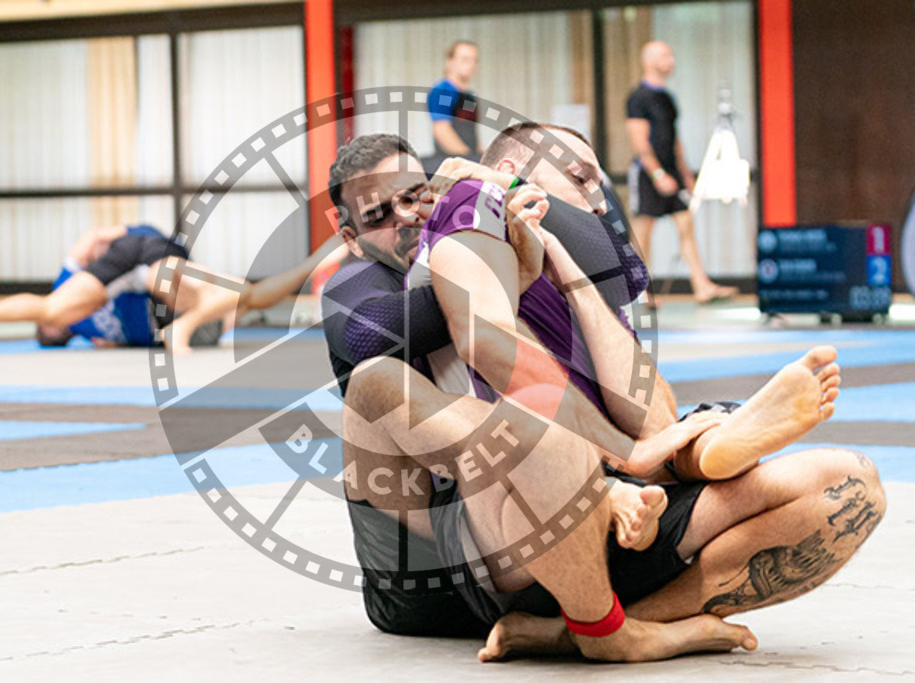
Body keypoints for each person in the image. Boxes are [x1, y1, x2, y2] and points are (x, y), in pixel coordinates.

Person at [321, 132, 884, 662]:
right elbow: (377, 333)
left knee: (848, 485)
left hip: (591, 534)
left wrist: (532, 236)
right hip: (456, 544)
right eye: (377, 215)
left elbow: (626, 271)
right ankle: (635, 481)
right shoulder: (362, 284)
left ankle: (596, 623)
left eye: (414, 198)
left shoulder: (544, 257)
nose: (404, 217)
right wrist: (479, 269)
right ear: (350, 238)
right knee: (392, 386)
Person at [0, 223, 346, 355]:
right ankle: (317, 262)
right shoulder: (92, 333)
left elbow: (87, 247)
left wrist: (121, 232)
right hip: (153, 288)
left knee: (54, 304)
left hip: (142, 252)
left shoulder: (68, 289)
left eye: (50, 330)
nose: (59, 326)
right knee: (243, 295)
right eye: (57, 334)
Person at [626, 41, 738, 304]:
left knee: (686, 224)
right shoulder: (638, 98)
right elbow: (639, 142)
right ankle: (639, 293)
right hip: (649, 174)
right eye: (666, 55)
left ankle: (702, 285)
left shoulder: (667, 97)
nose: (671, 60)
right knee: (643, 234)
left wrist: (685, 174)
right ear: (650, 60)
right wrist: (657, 175)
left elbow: (674, 138)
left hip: (672, 172)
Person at [428, 40, 481, 163]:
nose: (471, 64)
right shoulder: (443, 91)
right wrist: (467, 158)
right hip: (453, 162)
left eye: (475, 60)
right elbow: (441, 129)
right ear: (450, 61)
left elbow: (471, 131)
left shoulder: (469, 95)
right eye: (465, 59)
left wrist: (481, 156)